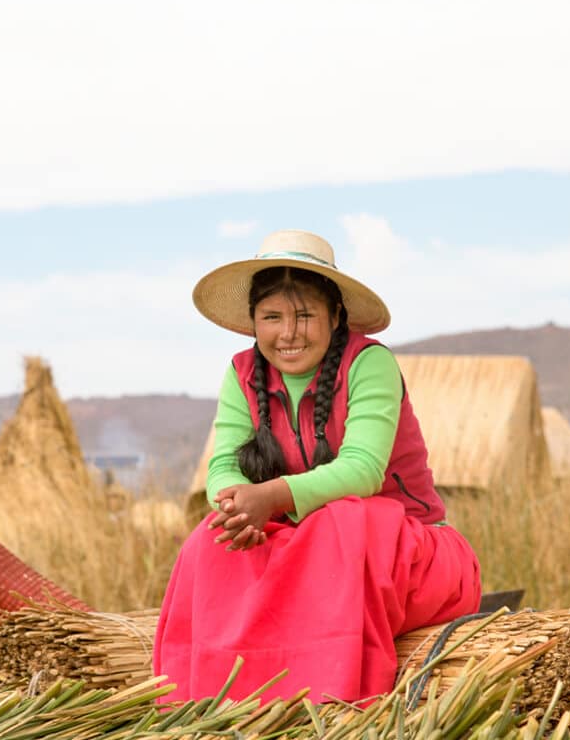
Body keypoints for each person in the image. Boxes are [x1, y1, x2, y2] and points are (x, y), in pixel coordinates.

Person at [153, 229, 481, 704]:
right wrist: (237, 505)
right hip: (306, 549)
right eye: (272, 317)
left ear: (335, 317)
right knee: (211, 539)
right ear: (253, 322)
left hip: (406, 556)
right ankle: (210, 708)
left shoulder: (369, 364)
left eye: (304, 315)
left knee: (343, 519)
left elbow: (363, 470)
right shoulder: (241, 372)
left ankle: (330, 704)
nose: (288, 333)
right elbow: (223, 464)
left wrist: (271, 497)